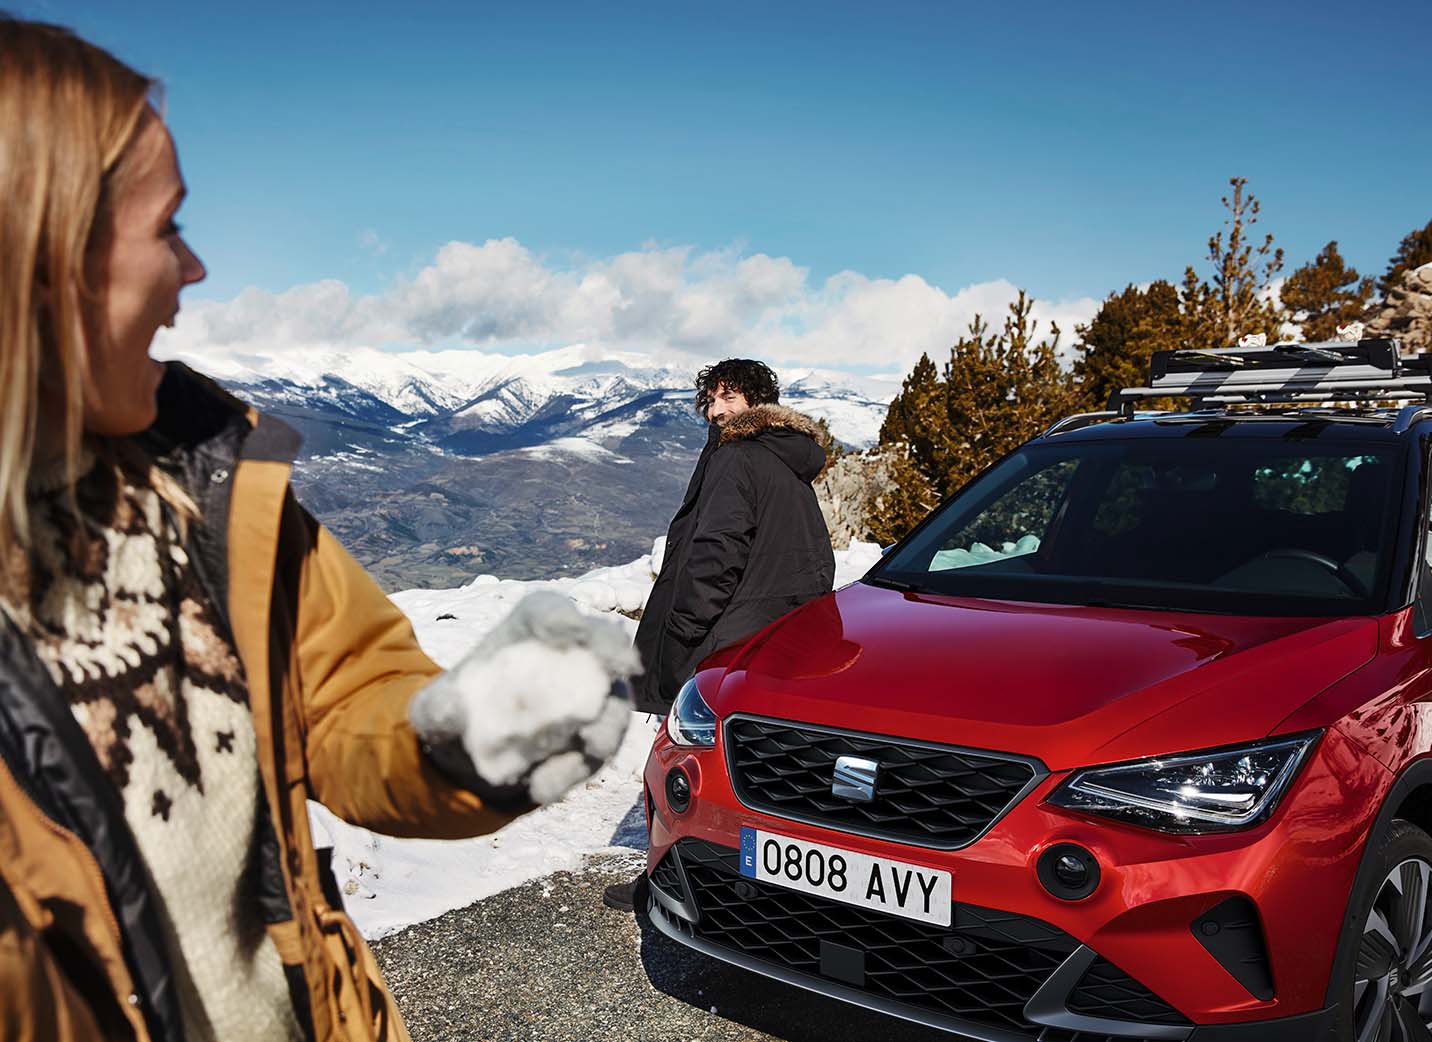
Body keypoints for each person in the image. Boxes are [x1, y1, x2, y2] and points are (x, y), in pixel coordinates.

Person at [0, 18, 635, 1042]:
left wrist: (458, 745)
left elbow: (340, 695)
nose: (195, 269)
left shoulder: (201, 480)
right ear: (42, 264)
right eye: (167, 228)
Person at [603, 359, 836, 911]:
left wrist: (684, 626)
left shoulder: (736, 456)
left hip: (724, 635)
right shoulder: (787, 457)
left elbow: (716, 551)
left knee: (685, 762)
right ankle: (760, 883)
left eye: (727, 399)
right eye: (709, 401)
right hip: (776, 634)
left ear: (757, 401)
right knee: (758, 769)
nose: (715, 411)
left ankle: (669, 881)